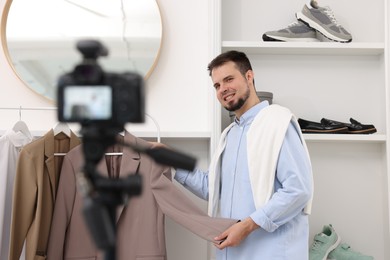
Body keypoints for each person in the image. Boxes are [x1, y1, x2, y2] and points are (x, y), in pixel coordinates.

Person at [173, 50, 314, 260]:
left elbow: (298, 190)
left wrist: (246, 226)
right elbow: (211, 187)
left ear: (249, 76)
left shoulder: (277, 122)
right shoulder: (229, 136)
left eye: (229, 79)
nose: (223, 89)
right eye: (217, 85)